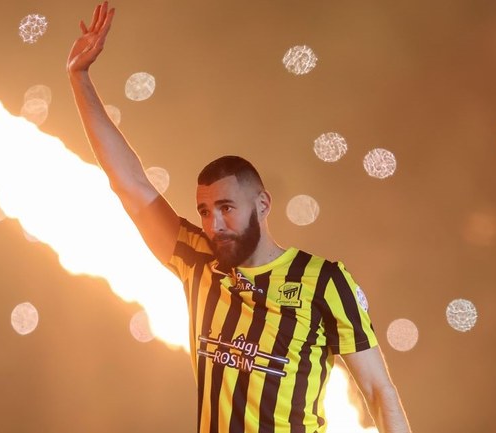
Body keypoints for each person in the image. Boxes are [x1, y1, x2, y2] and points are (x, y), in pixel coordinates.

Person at [66, 3, 412, 432]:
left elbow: (380, 392)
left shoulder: (324, 281)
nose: (214, 224)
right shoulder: (197, 261)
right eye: (205, 212)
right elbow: (130, 183)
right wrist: (79, 79)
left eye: (227, 208)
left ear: (263, 205)